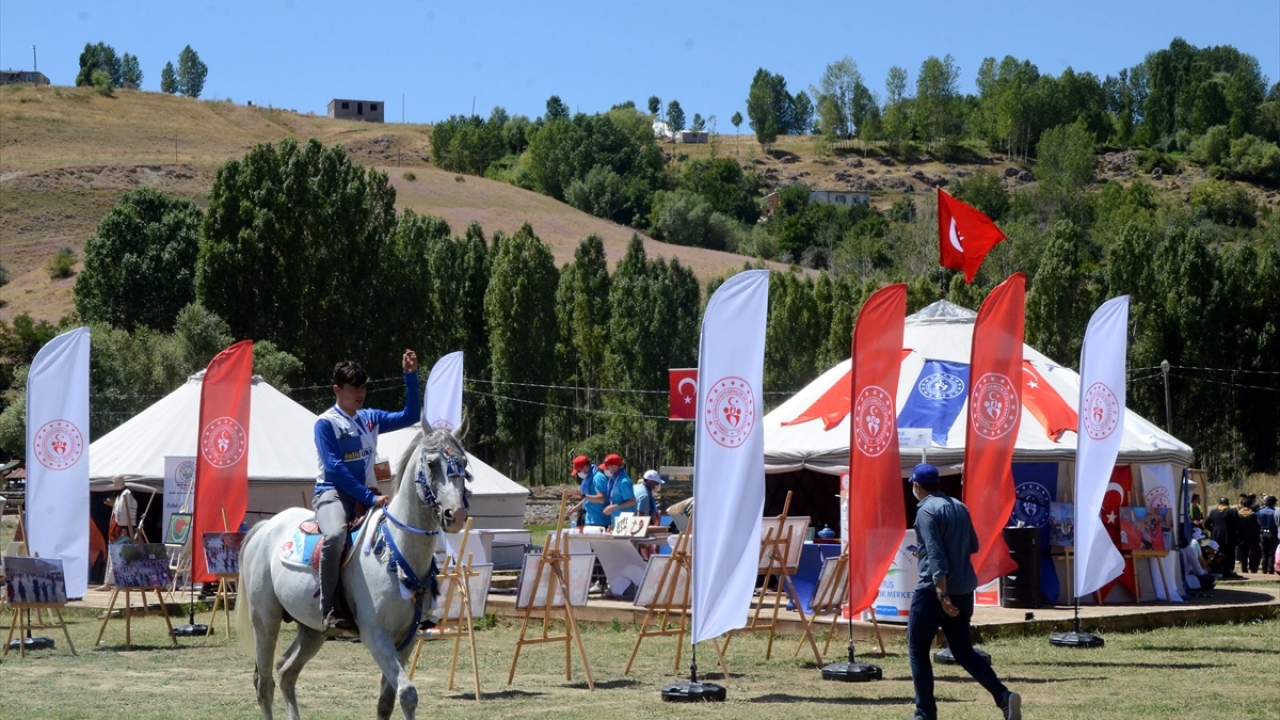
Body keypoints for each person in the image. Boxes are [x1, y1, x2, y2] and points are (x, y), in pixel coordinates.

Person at [314, 350, 420, 630]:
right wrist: (370, 497)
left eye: (363, 387)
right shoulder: (325, 423)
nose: (360, 393)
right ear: (337, 390)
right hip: (332, 493)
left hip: (366, 493)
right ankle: (329, 608)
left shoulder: (370, 418)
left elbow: (410, 415)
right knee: (336, 535)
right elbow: (335, 469)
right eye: (353, 388)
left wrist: (410, 376)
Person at [906, 463, 1021, 720]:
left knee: (917, 650)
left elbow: (936, 555)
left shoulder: (925, 510)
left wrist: (941, 593)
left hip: (934, 592)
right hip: (964, 589)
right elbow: (972, 544)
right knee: (964, 651)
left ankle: (925, 713)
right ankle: (1003, 696)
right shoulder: (959, 506)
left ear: (916, 485)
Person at [1206, 497, 1241, 578]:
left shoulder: (1213, 512)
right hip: (1229, 538)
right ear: (1228, 503)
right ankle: (1229, 571)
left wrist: (1214, 530)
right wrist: (1239, 536)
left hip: (1216, 538)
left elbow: (1206, 524)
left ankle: (1219, 570)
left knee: (1217, 555)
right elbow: (1238, 525)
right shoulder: (1232, 511)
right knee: (1230, 555)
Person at [1236, 496, 1262, 574]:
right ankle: (1253, 568)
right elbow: (1258, 526)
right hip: (1252, 538)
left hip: (1242, 539)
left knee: (1244, 555)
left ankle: (1244, 570)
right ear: (1250, 505)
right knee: (1256, 553)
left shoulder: (1238, 514)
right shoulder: (1253, 515)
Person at [1259, 495, 1278, 575]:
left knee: (1264, 552)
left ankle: (1264, 569)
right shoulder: (1274, 512)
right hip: (1272, 533)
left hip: (1263, 533)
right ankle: (1270, 570)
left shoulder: (1260, 511)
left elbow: (1259, 522)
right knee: (1271, 553)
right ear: (1273, 503)